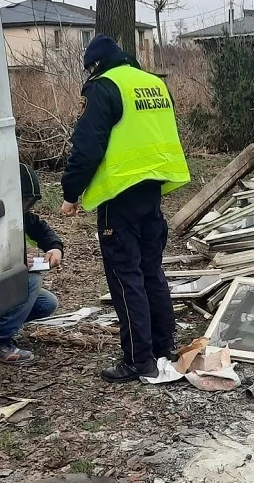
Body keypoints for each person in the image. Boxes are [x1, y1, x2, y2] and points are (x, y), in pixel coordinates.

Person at [61, 34, 191, 383]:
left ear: (95, 65)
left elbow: (87, 148)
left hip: (119, 193)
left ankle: (138, 359)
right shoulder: (153, 83)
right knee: (151, 271)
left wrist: (71, 193)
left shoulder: (103, 87)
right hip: (153, 189)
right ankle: (163, 347)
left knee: (125, 276)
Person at [0, 164, 63, 364]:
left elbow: (41, 229)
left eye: (30, 202)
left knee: (47, 303)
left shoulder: (20, 215)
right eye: (24, 200)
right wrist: (13, 263)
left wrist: (55, 247)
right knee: (31, 280)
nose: (26, 207)